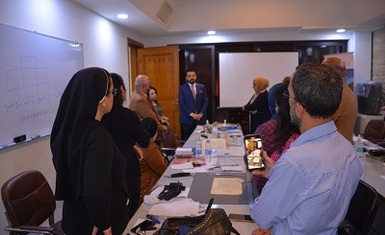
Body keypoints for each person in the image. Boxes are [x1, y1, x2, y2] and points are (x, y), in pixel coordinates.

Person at [251, 63, 363, 235]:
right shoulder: (348, 151)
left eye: (289, 95)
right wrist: (277, 174)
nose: (286, 100)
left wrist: (278, 178)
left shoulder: (295, 161)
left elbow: (261, 216)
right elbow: (314, 202)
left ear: (299, 108)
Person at [50, 67, 130, 235]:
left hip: (73, 218)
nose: (113, 96)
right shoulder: (97, 136)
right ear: (102, 99)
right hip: (96, 224)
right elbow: (95, 191)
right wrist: (103, 223)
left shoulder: (67, 130)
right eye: (111, 92)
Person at [101, 73, 150, 217]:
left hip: (106, 173)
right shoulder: (128, 116)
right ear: (120, 90)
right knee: (130, 214)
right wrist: (132, 144)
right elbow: (144, 141)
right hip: (128, 171)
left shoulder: (99, 118)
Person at [253, 85, 300, 193]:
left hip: (263, 189)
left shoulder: (265, 128)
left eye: (276, 105)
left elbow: (251, 161)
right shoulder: (302, 130)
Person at [322, 57, 358, 144]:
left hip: (335, 149)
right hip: (341, 147)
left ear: (329, 72)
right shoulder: (345, 90)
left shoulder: (337, 94)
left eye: (321, 70)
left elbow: (321, 124)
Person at [139, 117, 168, 204]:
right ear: (155, 132)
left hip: (138, 187)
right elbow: (163, 170)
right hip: (147, 191)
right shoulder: (150, 148)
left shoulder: (136, 142)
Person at [178, 69, 209, 140]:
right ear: (186, 78)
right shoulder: (182, 88)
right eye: (189, 76)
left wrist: (200, 114)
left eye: (193, 76)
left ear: (196, 76)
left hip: (200, 119)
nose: (191, 77)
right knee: (188, 140)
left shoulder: (202, 87)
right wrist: (192, 114)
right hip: (187, 119)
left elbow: (205, 101)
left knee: (201, 139)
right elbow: (182, 103)